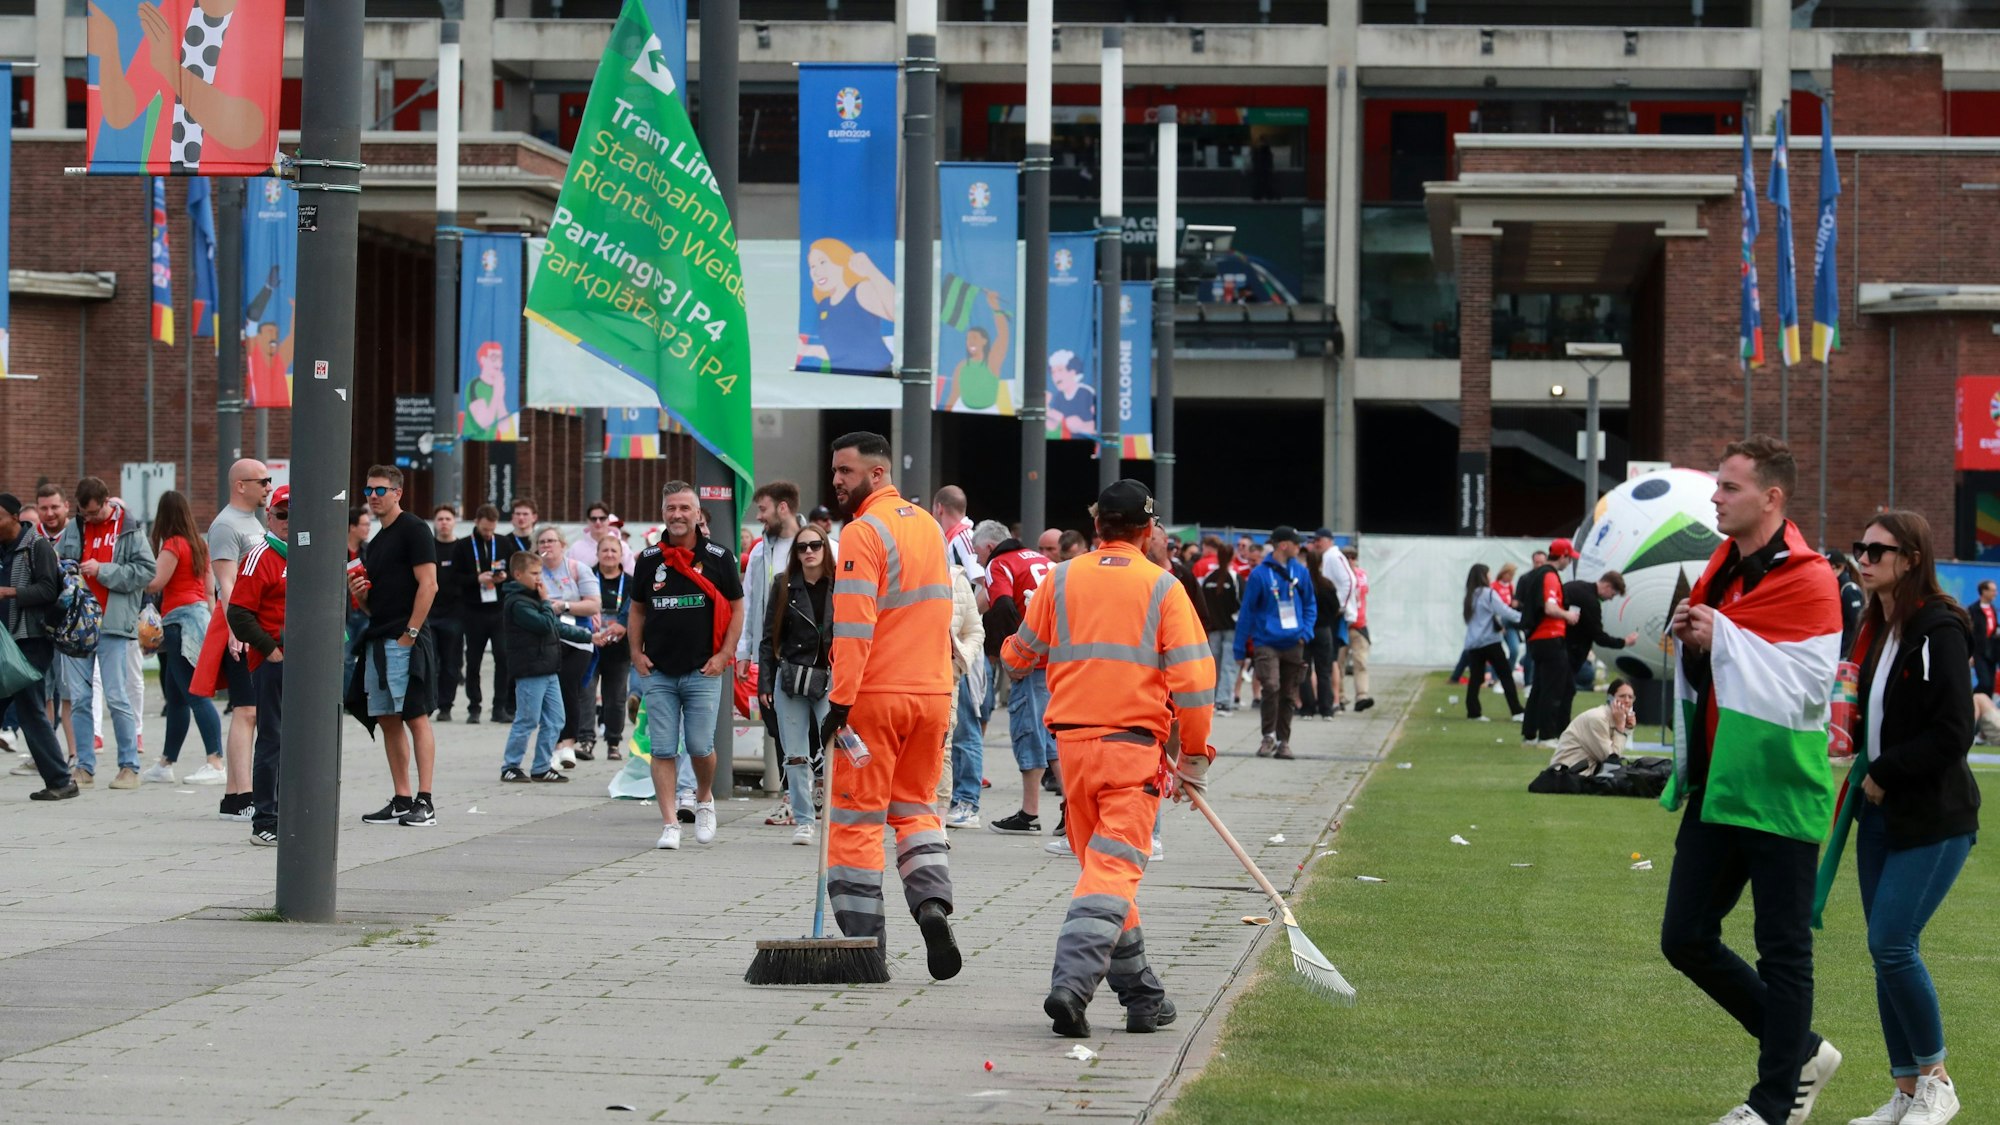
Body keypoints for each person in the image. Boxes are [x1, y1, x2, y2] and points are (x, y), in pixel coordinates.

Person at [1659, 435, 1844, 1125]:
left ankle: (1771, 1106)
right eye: (1717, 484)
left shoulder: (1811, 579)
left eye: (1729, 487)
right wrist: (1695, 640)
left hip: (1780, 788)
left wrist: (1724, 637)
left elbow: (1808, 689)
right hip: (1719, 785)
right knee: (1684, 937)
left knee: (1784, 951)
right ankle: (1804, 1050)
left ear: (1771, 497)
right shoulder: (1720, 570)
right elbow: (1719, 669)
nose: (1715, 497)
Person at [1002, 479, 1213, 1037]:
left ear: (1097, 526)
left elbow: (1018, 657)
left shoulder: (1060, 579)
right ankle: (1071, 987)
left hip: (1072, 753)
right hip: (1131, 753)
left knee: (1104, 873)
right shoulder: (1164, 588)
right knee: (1113, 872)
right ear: (1148, 531)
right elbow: (1195, 684)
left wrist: (1008, 645)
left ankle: (1142, 995)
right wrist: (1194, 759)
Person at [1811, 511, 1978, 1125]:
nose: (1864, 558)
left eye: (1877, 550)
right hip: (1879, 815)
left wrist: (1886, 769)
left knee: (1891, 942)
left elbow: (1954, 731)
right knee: (1885, 952)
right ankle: (1906, 1092)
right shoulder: (1876, 627)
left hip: (1933, 816)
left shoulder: (1938, 627)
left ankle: (1937, 1082)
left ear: (1911, 559)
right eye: (1861, 547)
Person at [819, 431, 961, 976]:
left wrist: (840, 700)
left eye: (846, 471)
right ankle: (931, 905)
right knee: (917, 809)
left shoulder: (863, 531)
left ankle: (865, 947)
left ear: (876, 474)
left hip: (876, 698)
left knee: (855, 820)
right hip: (932, 695)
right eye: (835, 470)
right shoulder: (928, 526)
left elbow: (854, 626)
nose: (836, 480)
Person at [629, 480, 744, 849]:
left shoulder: (719, 557)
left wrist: (724, 656)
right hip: (658, 671)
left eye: (684, 508)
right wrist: (636, 654)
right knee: (662, 749)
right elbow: (637, 610)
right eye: (671, 508)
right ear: (663, 513)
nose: (677, 515)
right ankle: (670, 823)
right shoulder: (648, 559)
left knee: (699, 746)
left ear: (697, 514)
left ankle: (704, 798)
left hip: (703, 670)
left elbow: (737, 609)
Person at [347, 466, 441, 829]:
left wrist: (410, 634)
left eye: (380, 490)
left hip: (407, 639)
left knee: (416, 716)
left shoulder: (414, 529)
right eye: (368, 490)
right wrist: (361, 598)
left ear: (398, 493)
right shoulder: (377, 542)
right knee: (387, 719)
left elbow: (429, 585)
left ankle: (425, 801)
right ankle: (402, 799)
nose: (373, 496)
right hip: (379, 638)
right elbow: (376, 606)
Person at [56, 477, 155, 790]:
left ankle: (129, 766)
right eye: (84, 514)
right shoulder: (75, 528)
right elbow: (58, 563)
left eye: (95, 513)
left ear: (107, 502)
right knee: (80, 698)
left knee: (116, 696)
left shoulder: (129, 529)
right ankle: (84, 766)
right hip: (77, 625)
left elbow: (146, 571)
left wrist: (104, 570)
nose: (90, 519)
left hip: (113, 623)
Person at [976, 521, 1057, 836]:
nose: (978, 560)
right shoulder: (1041, 560)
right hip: (1058, 657)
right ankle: (1068, 810)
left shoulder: (999, 563)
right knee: (1052, 735)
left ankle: (1031, 812)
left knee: (1028, 731)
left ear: (988, 547)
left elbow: (1003, 606)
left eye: (978, 554)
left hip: (1033, 660)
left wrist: (1012, 653)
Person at [758, 526, 835, 846]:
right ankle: (804, 820)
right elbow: (768, 637)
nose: (809, 551)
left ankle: (834, 817)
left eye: (815, 545)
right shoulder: (784, 585)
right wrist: (765, 681)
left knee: (836, 751)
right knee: (795, 755)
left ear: (825, 548)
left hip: (831, 677)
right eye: (802, 547)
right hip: (791, 676)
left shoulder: (840, 584)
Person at [142, 490, 223, 785]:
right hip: (198, 619)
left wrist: (133, 575)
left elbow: (155, 583)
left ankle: (215, 761)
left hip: (177, 623)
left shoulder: (173, 544)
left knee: (194, 695)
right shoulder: (200, 545)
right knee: (176, 696)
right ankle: (166, 762)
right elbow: (209, 591)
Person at [0, 493, 75, 800]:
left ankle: (61, 780)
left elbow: (48, 589)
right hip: (6, 643)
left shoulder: (36, 546)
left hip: (31, 641)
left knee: (31, 710)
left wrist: (10, 592)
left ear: (14, 518)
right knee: (28, 710)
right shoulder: (3, 549)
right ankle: (60, 779)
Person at [205, 459, 269, 814]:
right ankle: (242, 796)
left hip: (252, 623)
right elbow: (226, 584)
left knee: (250, 710)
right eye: (262, 481)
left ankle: (235, 796)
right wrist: (236, 630)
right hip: (240, 625)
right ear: (240, 485)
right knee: (246, 710)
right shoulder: (226, 524)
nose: (268, 486)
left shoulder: (251, 522)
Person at [226, 487, 289, 846]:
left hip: (308, 662)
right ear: (270, 517)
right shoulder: (260, 556)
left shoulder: (310, 552)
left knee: (305, 740)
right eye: (282, 514)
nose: (289, 521)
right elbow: (238, 612)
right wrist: (270, 650)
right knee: (272, 738)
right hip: (274, 661)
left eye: (295, 515)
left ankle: (294, 814)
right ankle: (265, 819)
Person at [737, 481, 802, 824]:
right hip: (771, 652)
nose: (759, 517)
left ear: (783, 508)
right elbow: (750, 603)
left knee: (809, 725)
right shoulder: (761, 552)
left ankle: (808, 794)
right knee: (777, 723)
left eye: (763, 509)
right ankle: (792, 796)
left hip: (808, 653)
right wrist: (744, 651)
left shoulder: (817, 545)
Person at [497, 551, 587, 784]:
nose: (539, 578)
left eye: (541, 573)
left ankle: (541, 767)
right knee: (527, 719)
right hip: (530, 669)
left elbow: (556, 627)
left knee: (556, 719)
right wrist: (547, 601)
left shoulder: (534, 598)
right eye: (534, 573)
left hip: (548, 668)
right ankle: (510, 766)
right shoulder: (517, 602)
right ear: (518, 574)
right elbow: (546, 624)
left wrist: (589, 637)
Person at [1235, 525, 1315, 759]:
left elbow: (1310, 604)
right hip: (1266, 641)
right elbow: (1247, 611)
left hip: (1294, 641)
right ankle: (1268, 736)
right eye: (1296, 543)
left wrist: (1305, 632)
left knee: (1289, 693)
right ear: (1284, 545)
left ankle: (1283, 741)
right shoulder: (1260, 574)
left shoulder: (1301, 572)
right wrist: (1240, 647)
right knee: (1271, 686)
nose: (1299, 547)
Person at [535, 526, 600, 766]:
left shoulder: (577, 569)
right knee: (550, 691)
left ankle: (569, 743)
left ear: (562, 545)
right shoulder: (534, 571)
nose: (546, 546)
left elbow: (593, 605)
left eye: (551, 541)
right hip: (547, 638)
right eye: (542, 542)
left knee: (568, 686)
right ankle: (554, 745)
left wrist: (564, 606)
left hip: (578, 639)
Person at [797, 237, 896, 374]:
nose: (816, 271)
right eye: (812, 266)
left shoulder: (861, 291)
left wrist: (871, 271)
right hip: (843, 379)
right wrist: (806, 350)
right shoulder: (824, 306)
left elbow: (896, 313)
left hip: (877, 375)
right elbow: (839, 350)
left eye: (822, 262)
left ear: (841, 261)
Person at [1519, 539, 1582, 749]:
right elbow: (1550, 607)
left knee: (1538, 687)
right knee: (1553, 688)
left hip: (1538, 639)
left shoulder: (1537, 574)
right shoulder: (1550, 576)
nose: (1569, 562)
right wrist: (1568, 615)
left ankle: (1529, 734)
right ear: (1562, 556)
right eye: (1569, 558)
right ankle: (1546, 735)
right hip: (1550, 636)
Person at [1560, 569, 1639, 722]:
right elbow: (1599, 636)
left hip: (1555, 644)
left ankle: (1533, 728)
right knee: (1566, 691)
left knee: (1547, 689)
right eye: (1613, 594)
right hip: (1570, 652)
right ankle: (1558, 728)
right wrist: (1624, 642)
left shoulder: (1575, 586)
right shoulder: (1591, 603)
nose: (1610, 599)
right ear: (1607, 586)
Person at [453, 504, 506, 725]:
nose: (488, 533)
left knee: (503, 657)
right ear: (476, 523)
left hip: (498, 609)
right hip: (473, 611)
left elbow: (514, 571)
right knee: (474, 660)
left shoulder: (502, 543)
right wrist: (476, 579)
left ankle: (499, 706)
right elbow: (454, 578)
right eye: (485, 529)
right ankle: (474, 706)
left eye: (491, 529)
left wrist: (503, 577)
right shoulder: (463, 546)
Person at [584, 534, 633, 761]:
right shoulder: (587, 577)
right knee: (586, 694)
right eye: (605, 550)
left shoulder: (631, 582)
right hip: (590, 644)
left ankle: (613, 742)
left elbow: (637, 610)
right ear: (597, 554)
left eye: (614, 551)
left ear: (621, 555)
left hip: (619, 648)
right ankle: (585, 740)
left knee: (615, 698)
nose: (609, 554)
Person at [1459, 564, 1524, 722]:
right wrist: (1524, 618)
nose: (1491, 576)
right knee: (1505, 675)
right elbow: (1504, 611)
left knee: (1476, 678)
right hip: (1490, 641)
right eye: (1488, 574)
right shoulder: (1488, 593)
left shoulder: (1470, 595)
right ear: (1483, 576)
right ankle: (1516, 711)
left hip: (1474, 643)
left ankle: (1473, 712)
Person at [1548, 678, 1636, 775]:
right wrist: (1620, 729)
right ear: (1610, 698)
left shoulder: (1615, 719)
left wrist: (1626, 728)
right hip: (1565, 774)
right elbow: (1611, 760)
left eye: (1630, 697)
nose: (1627, 701)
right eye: (1622, 696)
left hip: (1584, 772)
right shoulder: (1598, 719)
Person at [430, 504, 466, 723]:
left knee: (451, 663)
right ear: (434, 522)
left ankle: (446, 706)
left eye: (448, 519)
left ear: (454, 522)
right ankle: (430, 702)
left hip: (454, 614)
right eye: (440, 519)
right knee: (431, 662)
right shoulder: (429, 547)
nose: (444, 523)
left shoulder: (461, 548)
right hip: (430, 612)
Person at [1298, 549, 1342, 720]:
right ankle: (1326, 708)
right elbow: (1335, 607)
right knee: (1324, 671)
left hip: (1305, 629)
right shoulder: (1327, 585)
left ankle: (1307, 707)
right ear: (1321, 563)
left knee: (1304, 670)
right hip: (1323, 629)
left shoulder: (1302, 584)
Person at [1198, 544, 1242, 712]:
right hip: (1231, 628)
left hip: (1214, 629)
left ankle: (1212, 700)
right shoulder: (1235, 578)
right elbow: (1241, 604)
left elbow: (1202, 603)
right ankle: (1223, 702)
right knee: (1228, 666)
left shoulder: (1208, 578)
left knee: (1213, 666)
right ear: (1232, 557)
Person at [344, 505, 372, 694]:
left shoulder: (368, 551)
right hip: (346, 614)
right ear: (352, 527)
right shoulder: (338, 551)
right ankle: (347, 697)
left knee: (367, 657)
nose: (368, 528)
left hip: (364, 612)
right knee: (346, 658)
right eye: (364, 525)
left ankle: (362, 695)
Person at [1343, 546, 1375, 712]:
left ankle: (1362, 696)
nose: (1350, 560)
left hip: (1359, 625)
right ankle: (1339, 696)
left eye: (1353, 557)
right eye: (1347, 557)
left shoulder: (1361, 574)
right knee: (1338, 663)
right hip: (1342, 625)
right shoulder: (1338, 574)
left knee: (1361, 662)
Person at [566, 499, 633, 574]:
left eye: (602, 518)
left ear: (608, 520)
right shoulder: (576, 548)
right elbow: (568, 575)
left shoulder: (623, 547)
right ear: (588, 521)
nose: (598, 522)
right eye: (593, 519)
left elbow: (631, 574)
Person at [932, 485, 981, 581]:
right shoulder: (952, 539)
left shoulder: (964, 538)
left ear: (939, 508)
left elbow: (982, 582)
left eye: (933, 508)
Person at [1968, 578, 1998, 698]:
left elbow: (1993, 628)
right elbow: (1970, 632)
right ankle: (1969, 700)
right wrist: (1970, 654)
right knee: (1984, 683)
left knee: (1990, 686)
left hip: (1992, 652)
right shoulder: (1973, 610)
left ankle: (1984, 707)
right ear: (1984, 591)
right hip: (1979, 652)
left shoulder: (1993, 609)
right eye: (1993, 590)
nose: (1995, 593)